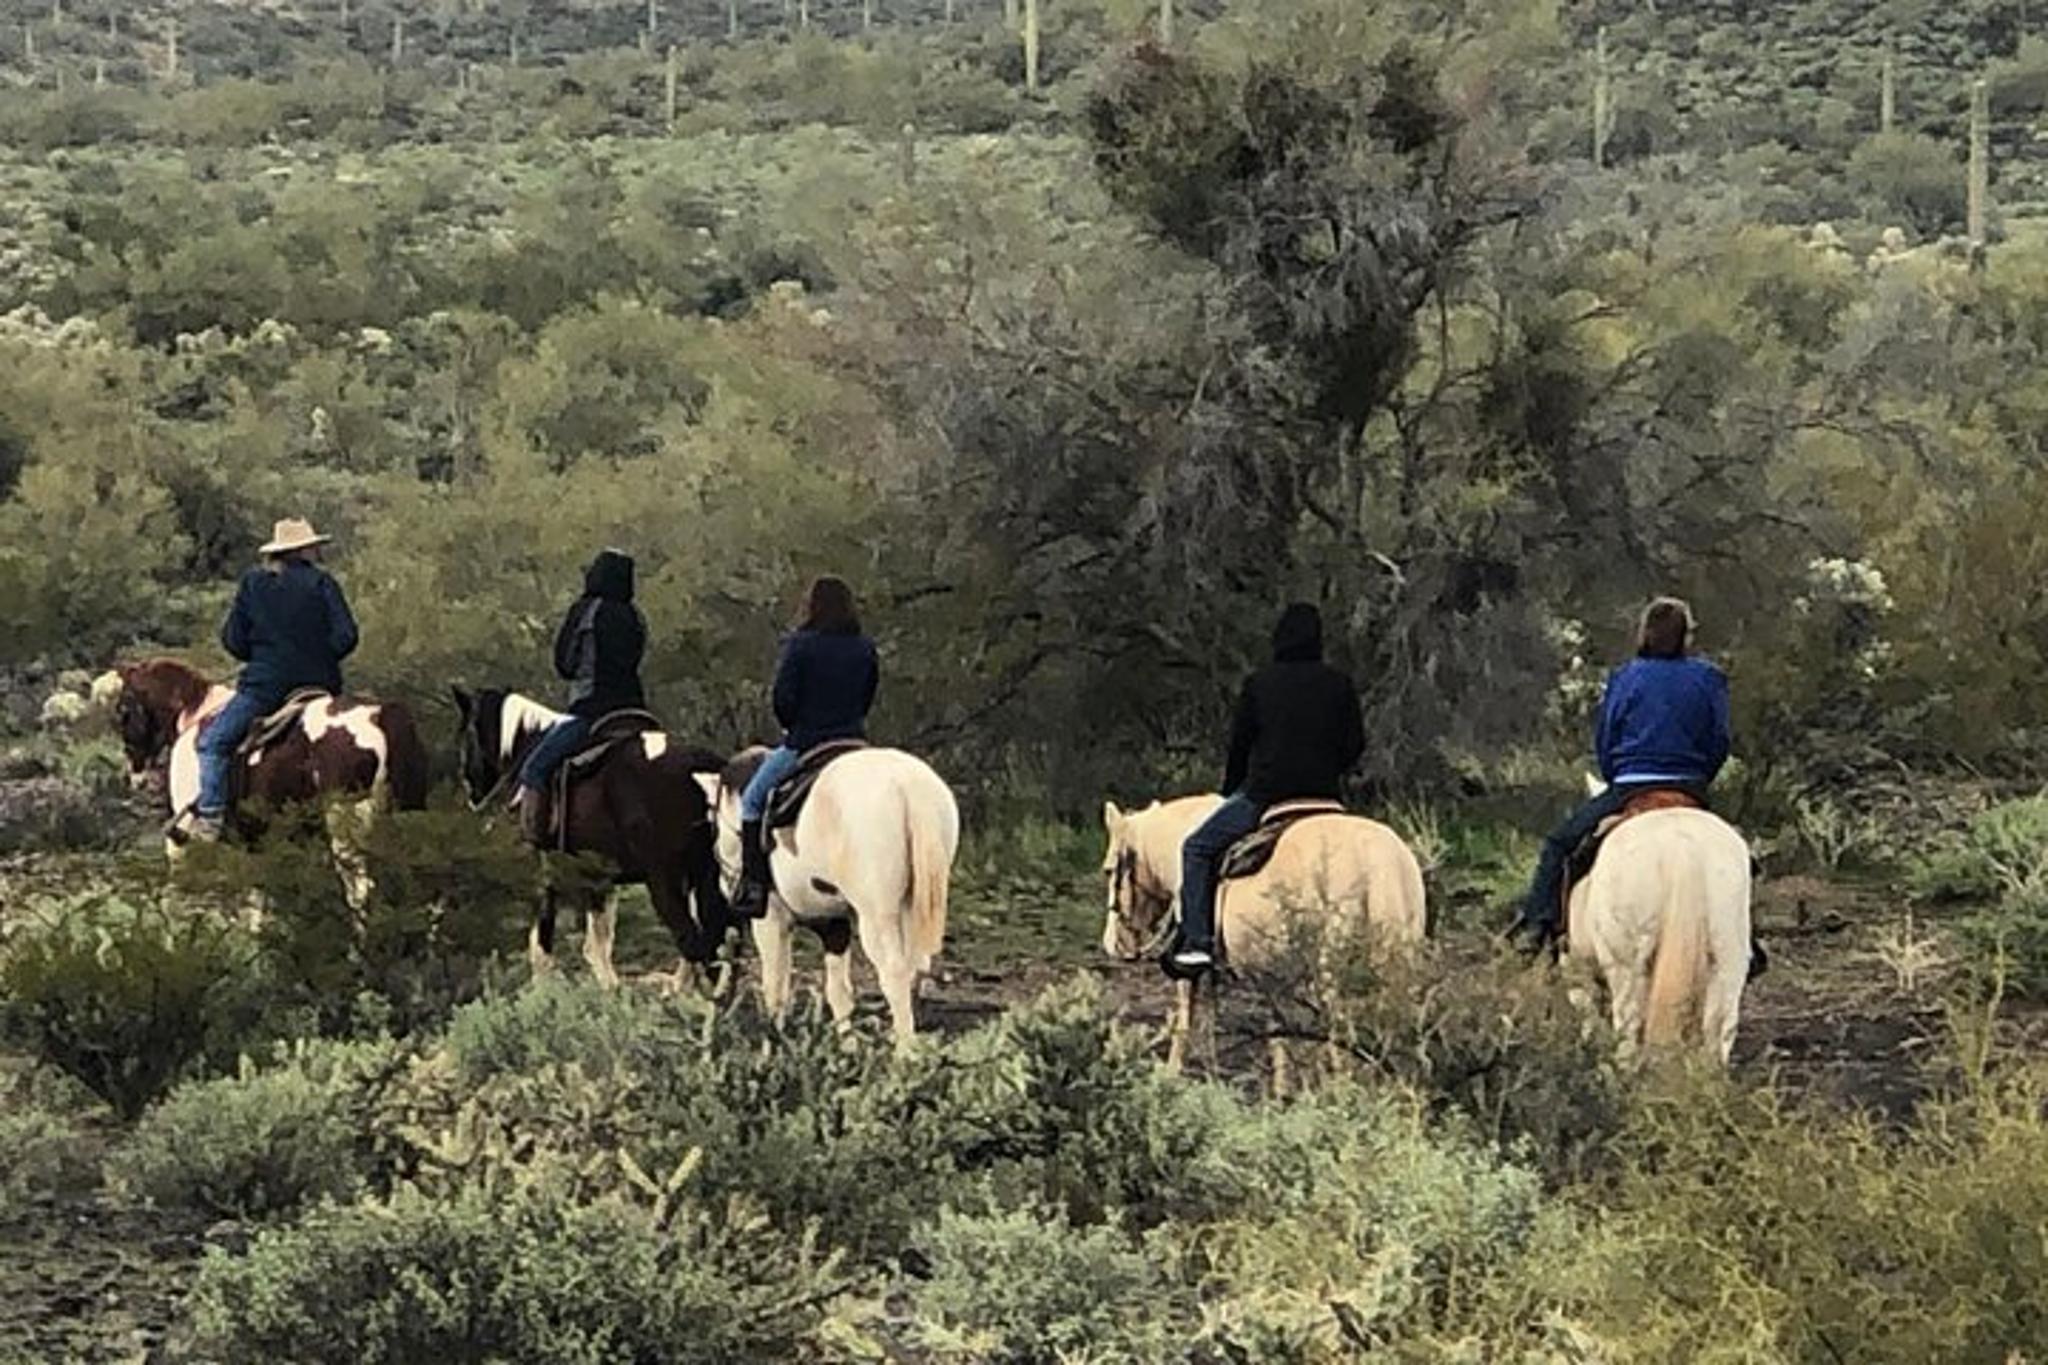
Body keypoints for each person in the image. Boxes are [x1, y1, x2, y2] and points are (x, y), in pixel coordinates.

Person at [1508, 596, 1730, 954]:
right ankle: (1746, 941)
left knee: (1559, 845)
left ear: (1645, 634)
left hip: (1630, 785)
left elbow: (1607, 737)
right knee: (1736, 862)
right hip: (1688, 785)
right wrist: (1701, 779)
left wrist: (1616, 776)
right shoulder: (1709, 678)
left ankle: (1538, 924)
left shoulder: (1625, 677)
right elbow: (1719, 740)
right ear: (1686, 636)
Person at [1167, 602, 1365, 978]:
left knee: (1196, 848)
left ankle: (1197, 942)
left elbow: (1240, 745)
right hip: (1325, 795)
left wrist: (1232, 791)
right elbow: (1355, 743)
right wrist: (1332, 771)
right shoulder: (1340, 683)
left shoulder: (1260, 683)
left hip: (1268, 795)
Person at [193, 517, 360, 841]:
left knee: (212, 744)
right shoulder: (323, 583)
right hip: (321, 687)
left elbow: (233, 640)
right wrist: (320, 657)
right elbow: (347, 636)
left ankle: (210, 818)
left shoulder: (253, 584)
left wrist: (262, 659)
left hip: (265, 689)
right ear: (305, 550)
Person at [730, 576, 879, 919]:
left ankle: (753, 885)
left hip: (806, 741)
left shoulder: (801, 645)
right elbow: (868, 694)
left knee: (753, 800)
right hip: (855, 740)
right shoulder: (865, 647)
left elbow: (783, 698)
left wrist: (792, 725)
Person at [518, 548, 647, 845]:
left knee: (534, 769)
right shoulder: (635, 616)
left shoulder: (586, 610)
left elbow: (565, 663)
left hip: (592, 711)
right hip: (636, 712)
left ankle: (533, 842)